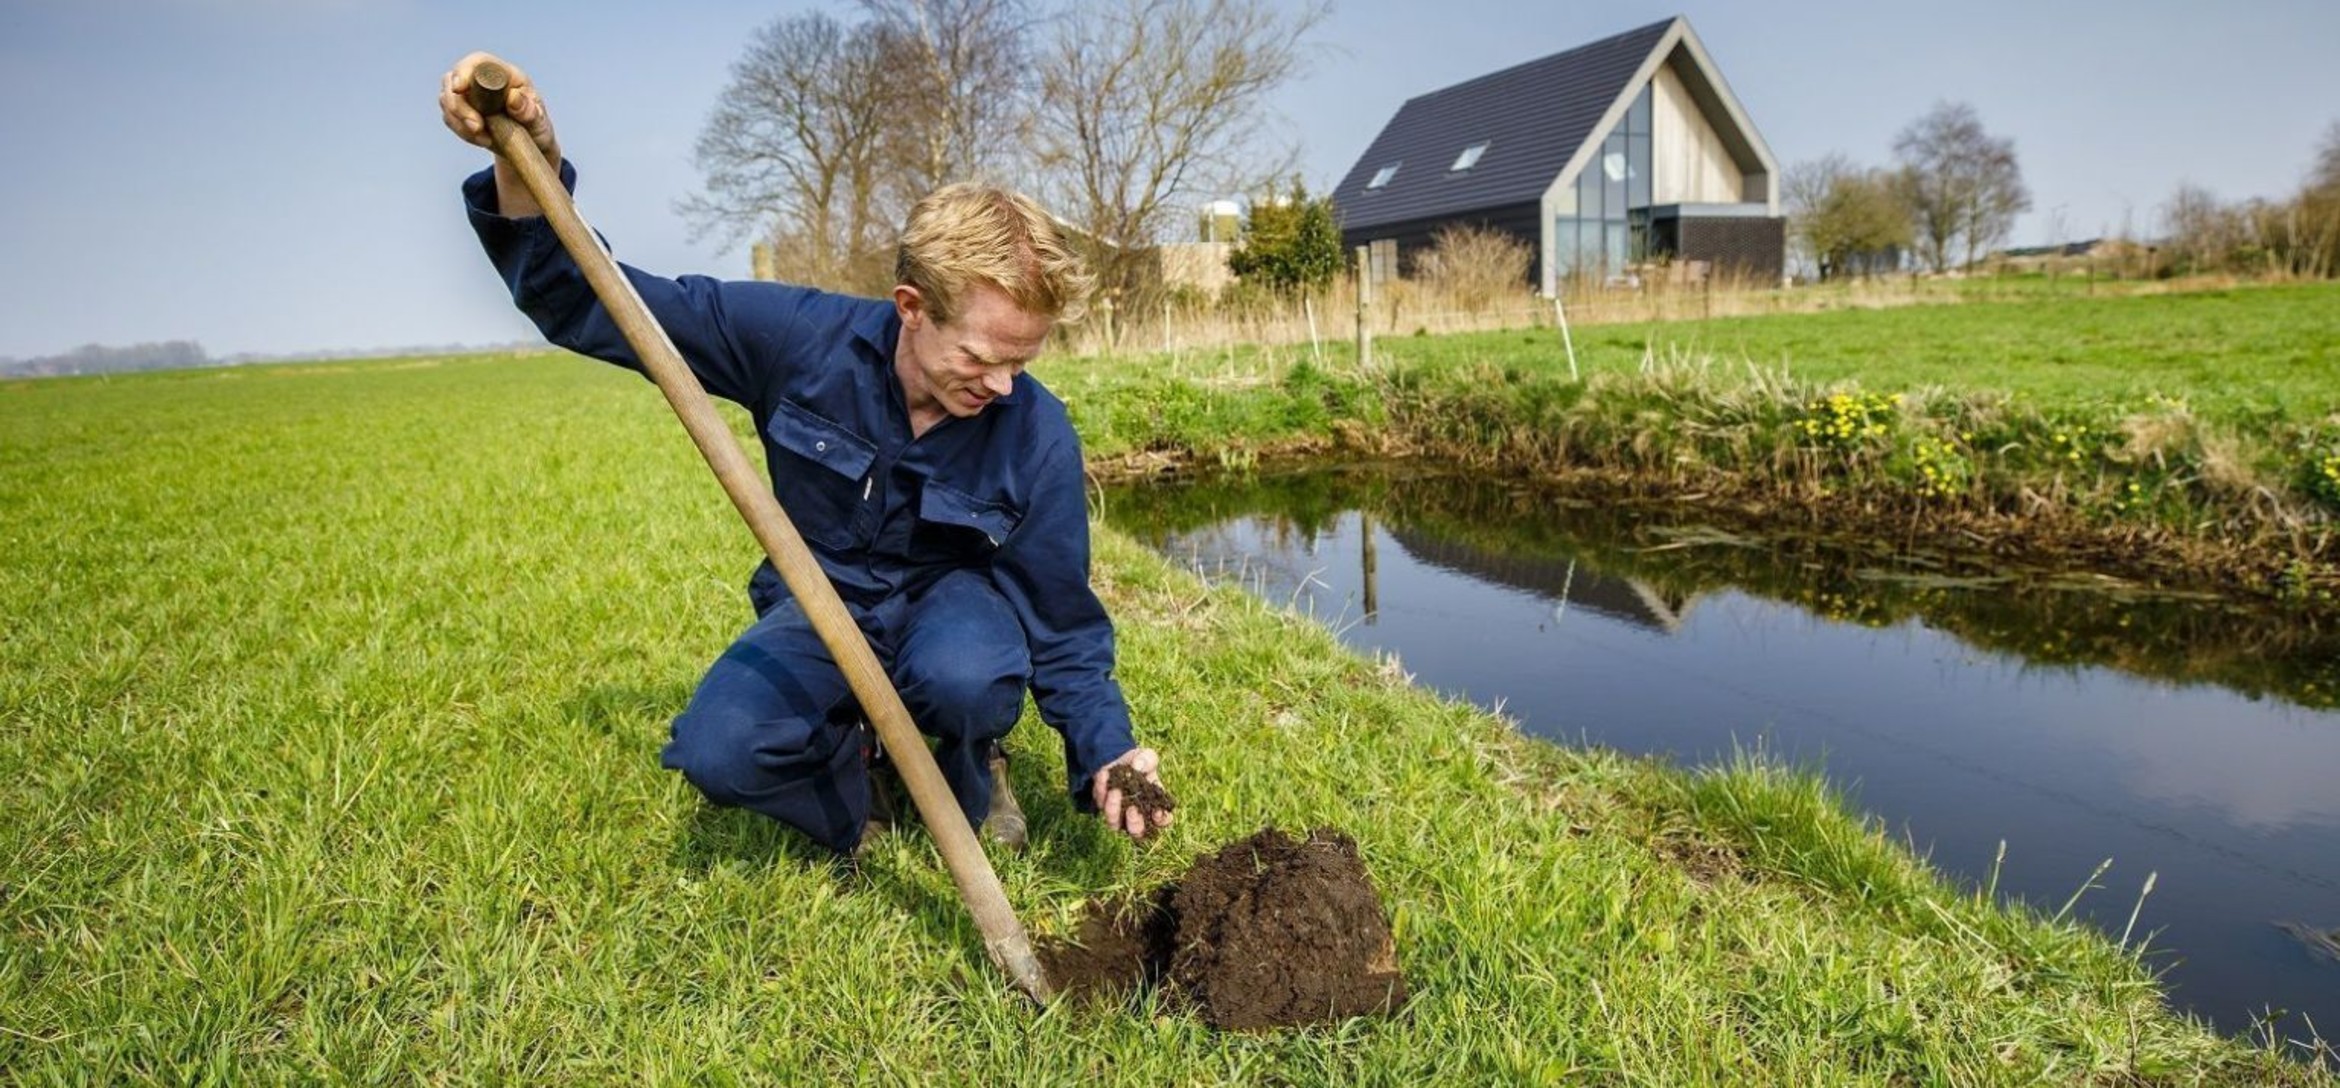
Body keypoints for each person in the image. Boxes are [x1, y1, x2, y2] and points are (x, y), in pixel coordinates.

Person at [438, 53, 1170, 857]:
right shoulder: (796, 342)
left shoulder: (1036, 433)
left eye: (1022, 362)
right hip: (825, 601)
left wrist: (1107, 749)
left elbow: (1062, 623)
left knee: (970, 674)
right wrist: (523, 162)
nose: (1002, 383)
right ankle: (857, 781)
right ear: (912, 308)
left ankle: (969, 763)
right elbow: (595, 300)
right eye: (981, 356)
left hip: (952, 613)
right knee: (719, 749)